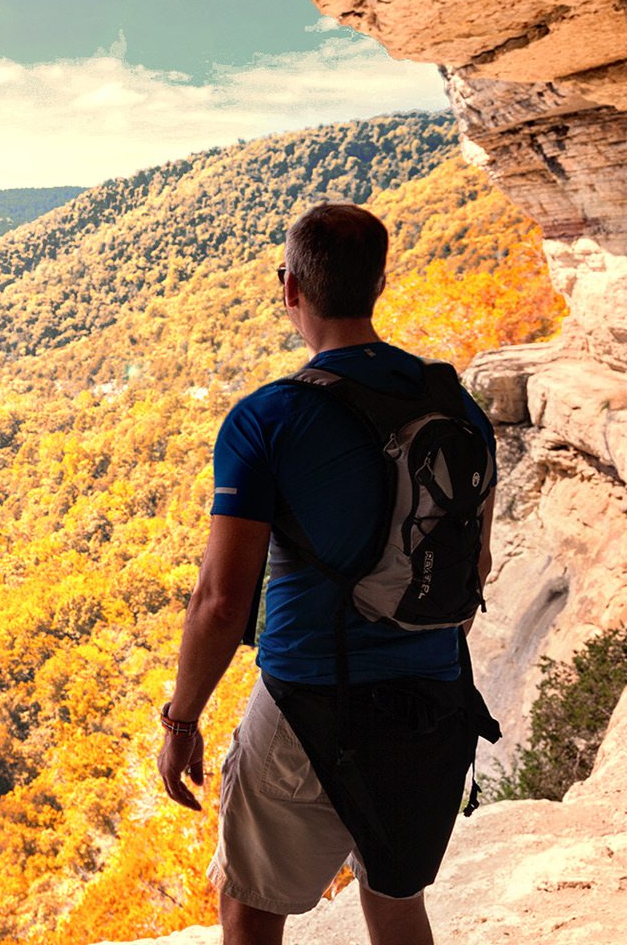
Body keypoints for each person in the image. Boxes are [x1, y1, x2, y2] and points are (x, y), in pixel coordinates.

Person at [154, 203, 497, 945]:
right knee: (397, 902)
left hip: (311, 703)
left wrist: (182, 722)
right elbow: (475, 567)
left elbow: (220, 601)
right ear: (379, 283)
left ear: (289, 289)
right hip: (433, 700)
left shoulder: (268, 419)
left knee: (250, 909)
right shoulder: (457, 405)